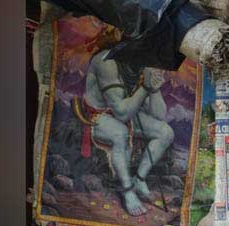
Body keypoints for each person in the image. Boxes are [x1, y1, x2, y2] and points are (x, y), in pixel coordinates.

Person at [75, 25, 175, 216]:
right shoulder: (107, 61)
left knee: (165, 132)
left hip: (126, 115)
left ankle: (139, 178)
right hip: (98, 116)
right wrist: (145, 88)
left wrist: (154, 89)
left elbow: (159, 114)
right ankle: (128, 191)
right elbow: (121, 113)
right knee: (120, 133)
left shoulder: (140, 63)